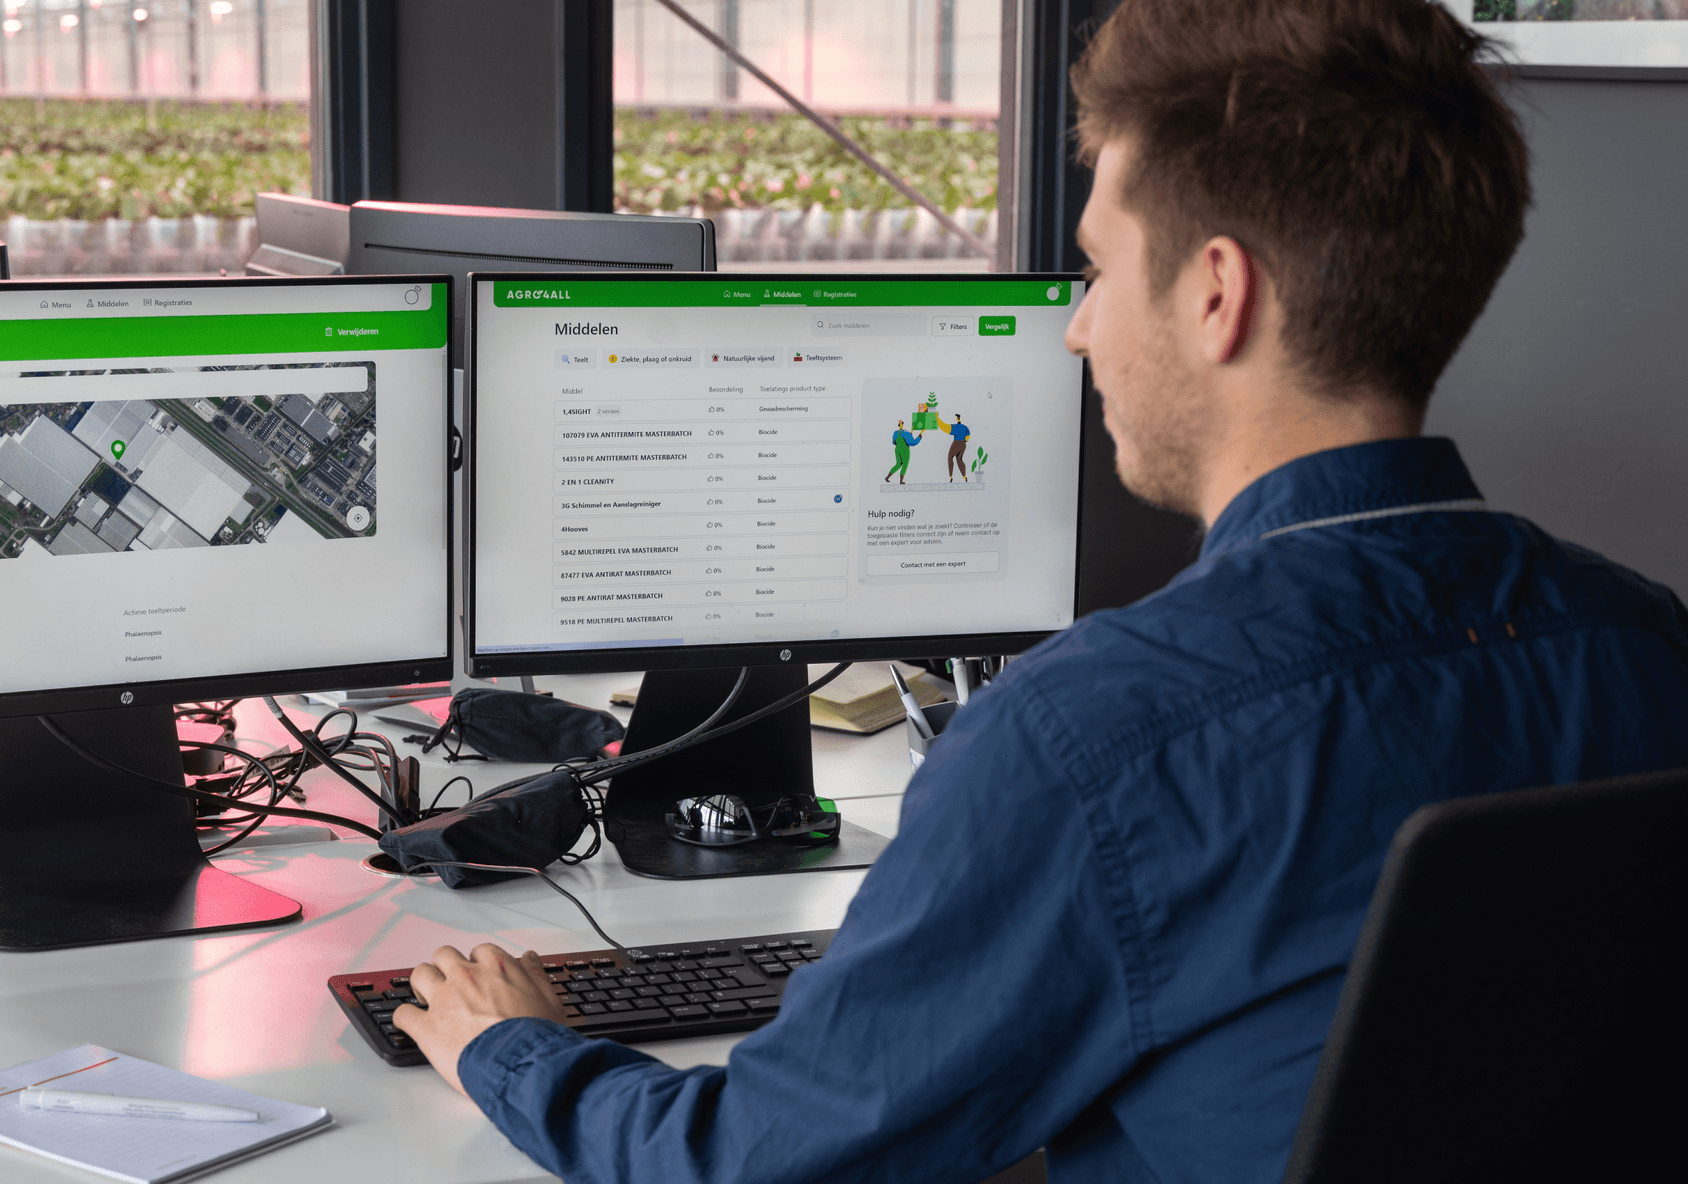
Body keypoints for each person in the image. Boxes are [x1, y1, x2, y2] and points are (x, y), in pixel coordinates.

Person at [389, 2, 1688, 1181]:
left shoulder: (1091, 739)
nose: (1075, 327)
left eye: (1098, 268)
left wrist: (516, 1049)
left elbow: (748, 1169)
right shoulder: (1649, 644)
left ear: (1216, 295)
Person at [884, 419, 923, 484]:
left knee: (898, 464)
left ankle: (887, 477)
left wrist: (910, 433)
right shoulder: (905, 432)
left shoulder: (895, 433)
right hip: (904, 450)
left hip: (897, 449)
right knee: (905, 464)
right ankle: (901, 481)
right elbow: (912, 442)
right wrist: (920, 435)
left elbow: (894, 442)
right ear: (903, 424)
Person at [942, 413, 972, 480]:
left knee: (950, 457)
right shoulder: (965, 427)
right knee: (959, 459)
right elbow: (968, 436)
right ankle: (964, 476)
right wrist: (965, 440)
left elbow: (945, 428)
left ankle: (950, 476)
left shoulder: (956, 428)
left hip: (957, 443)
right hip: (963, 444)